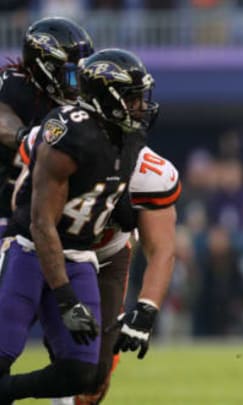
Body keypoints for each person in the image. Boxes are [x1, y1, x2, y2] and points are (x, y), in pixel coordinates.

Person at [0, 48, 157, 403]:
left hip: (81, 253)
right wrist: (66, 297)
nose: (140, 106)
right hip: (30, 248)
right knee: (2, 352)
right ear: (108, 96)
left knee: (82, 372)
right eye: (132, 97)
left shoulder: (131, 138)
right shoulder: (68, 132)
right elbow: (41, 223)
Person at [17, 129, 181, 405]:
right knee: (8, 339)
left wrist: (147, 307)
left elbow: (162, 249)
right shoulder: (59, 144)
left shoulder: (148, 172)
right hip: (39, 250)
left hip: (106, 257)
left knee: (93, 374)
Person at [0, 16, 94, 236]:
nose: (78, 82)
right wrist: (26, 137)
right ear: (45, 66)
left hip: (45, 209)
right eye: (72, 73)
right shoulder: (14, 83)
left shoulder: (85, 104)